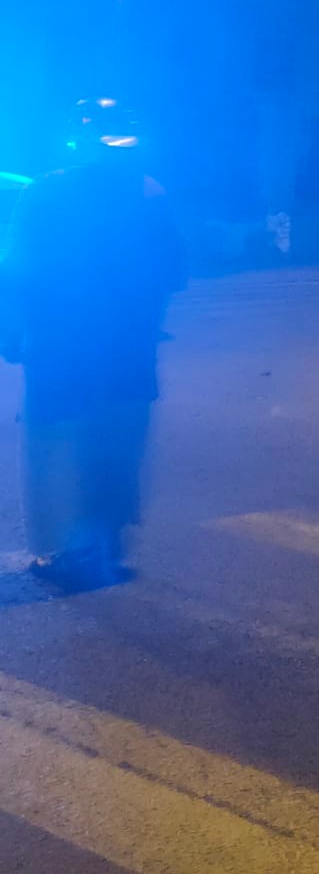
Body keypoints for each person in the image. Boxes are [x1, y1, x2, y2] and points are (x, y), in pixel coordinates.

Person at [0, 100, 185, 589]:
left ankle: (64, 549)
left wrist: (10, 333)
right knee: (119, 439)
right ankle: (108, 536)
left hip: (59, 348)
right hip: (128, 348)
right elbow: (174, 271)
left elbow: (16, 271)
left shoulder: (44, 190)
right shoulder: (150, 191)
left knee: (54, 445)